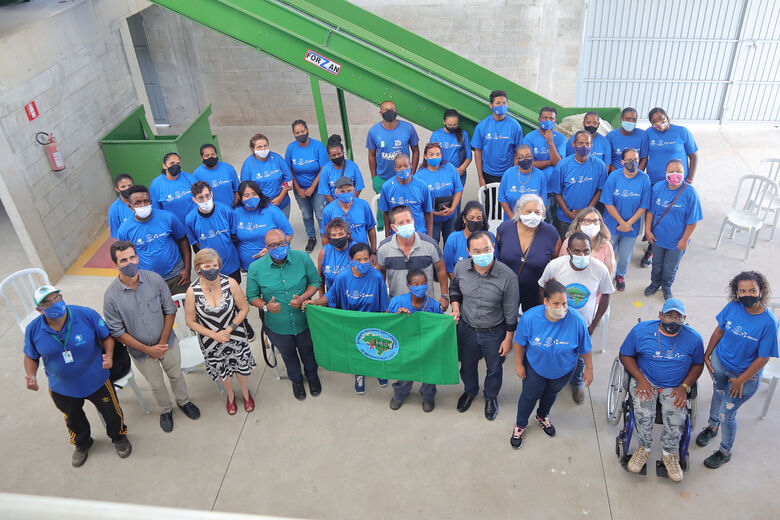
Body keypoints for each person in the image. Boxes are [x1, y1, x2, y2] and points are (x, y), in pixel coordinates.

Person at [24, 285, 131, 467]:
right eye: (47, 303)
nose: (54, 304)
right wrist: (31, 375)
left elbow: (106, 337)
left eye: (57, 298)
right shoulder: (33, 330)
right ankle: (82, 443)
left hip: (96, 379)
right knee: (73, 419)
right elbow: (30, 355)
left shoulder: (85, 315)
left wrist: (109, 356)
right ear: (39, 309)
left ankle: (118, 437)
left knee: (112, 412)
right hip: (63, 387)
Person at [103, 241, 201, 433]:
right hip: (142, 353)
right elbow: (117, 331)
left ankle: (184, 401)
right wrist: (148, 349)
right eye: (124, 260)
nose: (130, 262)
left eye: (132, 257)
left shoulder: (155, 280)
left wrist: (162, 343)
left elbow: (169, 310)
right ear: (116, 265)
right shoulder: (111, 297)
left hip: (167, 344)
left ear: (138, 258)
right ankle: (165, 410)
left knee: (176, 375)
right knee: (156, 385)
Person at [696, 272, 779, 469]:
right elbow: (719, 331)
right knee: (717, 395)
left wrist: (741, 380)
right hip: (720, 365)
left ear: (761, 291)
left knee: (728, 413)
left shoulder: (768, 322)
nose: (747, 294)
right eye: (742, 291)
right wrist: (707, 355)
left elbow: (763, 357)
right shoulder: (733, 308)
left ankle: (725, 451)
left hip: (744, 378)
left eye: (752, 290)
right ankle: (711, 426)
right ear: (737, 292)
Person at [619, 298, 704, 482]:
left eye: (678, 317)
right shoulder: (641, 332)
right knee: (642, 413)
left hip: (675, 385)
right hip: (646, 379)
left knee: (676, 416)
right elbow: (625, 354)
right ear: (660, 315)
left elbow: (698, 365)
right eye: (668, 315)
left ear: (684, 319)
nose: (673, 321)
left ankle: (669, 453)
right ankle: (644, 448)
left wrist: (684, 387)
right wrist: (640, 379)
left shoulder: (694, 338)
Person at [510, 280, 593, 449]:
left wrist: (589, 369)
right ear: (545, 302)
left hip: (563, 369)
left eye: (564, 303)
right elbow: (519, 343)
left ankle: (542, 416)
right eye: (556, 303)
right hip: (535, 367)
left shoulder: (577, 321)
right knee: (530, 395)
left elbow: (585, 348)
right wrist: (519, 364)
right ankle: (520, 425)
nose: (561, 307)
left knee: (551, 393)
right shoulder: (530, 318)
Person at [450, 230, 519, 421]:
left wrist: (508, 339)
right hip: (467, 329)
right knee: (467, 366)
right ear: (469, 252)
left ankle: (490, 397)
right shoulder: (460, 268)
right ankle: (470, 391)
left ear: (493, 247)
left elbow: (511, 312)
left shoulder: (508, 277)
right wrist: (455, 306)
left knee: (494, 369)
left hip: (494, 332)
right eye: (477, 251)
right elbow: (454, 288)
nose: (483, 254)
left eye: (487, 249)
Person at [538, 231, 614, 404]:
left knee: (580, 356)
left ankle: (576, 382)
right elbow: (542, 286)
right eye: (577, 251)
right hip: (556, 321)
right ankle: (552, 380)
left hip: (584, 325)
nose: (582, 255)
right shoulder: (555, 266)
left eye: (586, 251)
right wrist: (547, 311)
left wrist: (594, 324)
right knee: (553, 349)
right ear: (569, 251)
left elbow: (607, 295)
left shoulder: (599, 269)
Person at [303, 242, 388, 394]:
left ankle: (380, 371)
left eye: (366, 259)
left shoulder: (376, 276)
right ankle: (359, 373)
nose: (363, 263)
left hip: (373, 322)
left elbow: (384, 306)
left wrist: (387, 320)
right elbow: (331, 295)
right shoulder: (343, 277)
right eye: (359, 259)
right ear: (351, 260)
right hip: (352, 323)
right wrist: (314, 302)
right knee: (357, 351)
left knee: (376, 348)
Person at [247, 230, 322, 400]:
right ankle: (296, 380)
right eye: (273, 245)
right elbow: (252, 297)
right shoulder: (256, 268)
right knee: (288, 354)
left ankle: (312, 376)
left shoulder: (302, 258)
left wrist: (303, 297)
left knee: (308, 350)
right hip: (277, 324)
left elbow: (315, 282)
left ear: (287, 242)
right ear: (266, 247)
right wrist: (266, 306)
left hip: (304, 320)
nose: (279, 247)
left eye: (282, 243)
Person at [185, 249, 256, 414]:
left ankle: (246, 393)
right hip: (210, 340)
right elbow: (190, 321)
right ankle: (230, 396)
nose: (212, 269)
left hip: (235, 333)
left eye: (215, 265)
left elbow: (244, 308)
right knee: (222, 369)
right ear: (198, 268)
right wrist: (214, 335)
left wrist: (229, 329)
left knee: (240, 365)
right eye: (207, 266)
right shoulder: (192, 291)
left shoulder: (230, 283)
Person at [644, 159, 703, 300]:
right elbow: (651, 212)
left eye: (679, 171)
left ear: (685, 173)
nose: (675, 174)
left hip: (677, 242)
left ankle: (666, 286)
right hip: (657, 238)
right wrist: (648, 231)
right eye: (671, 171)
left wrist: (684, 239)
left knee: (670, 268)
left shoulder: (690, 193)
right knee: (657, 264)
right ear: (666, 173)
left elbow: (693, 221)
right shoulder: (657, 188)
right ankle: (654, 283)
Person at [388, 269, 445, 412]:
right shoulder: (397, 302)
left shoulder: (433, 305)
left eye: (424, 283)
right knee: (405, 371)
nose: (420, 287)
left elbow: (441, 325)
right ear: (408, 285)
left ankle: (428, 397)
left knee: (429, 372)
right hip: (406, 345)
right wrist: (397, 315)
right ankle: (400, 394)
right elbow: (386, 321)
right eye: (416, 283)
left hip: (427, 346)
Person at [117, 185, 191, 295]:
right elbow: (124, 258)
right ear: (130, 207)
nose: (143, 205)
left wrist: (187, 270)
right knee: (158, 311)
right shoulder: (124, 230)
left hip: (177, 275)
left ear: (151, 202)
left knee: (189, 307)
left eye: (146, 201)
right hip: (149, 282)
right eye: (137, 203)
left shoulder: (168, 217)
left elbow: (183, 240)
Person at [376, 205, 448, 310]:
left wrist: (444, 296)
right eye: (401, 223)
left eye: (408, 221)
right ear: (393, 227)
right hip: (398, 307)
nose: (406, 225)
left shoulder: (430, 244)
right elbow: (380, 273)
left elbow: (441, 269)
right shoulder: (384, 248)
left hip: (426, 306)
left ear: (413, 220)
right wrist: (383, 302)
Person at [496, 194, 560, 312]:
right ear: (519, 211)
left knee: (533, 324)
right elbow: (498, 251)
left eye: (537, 212)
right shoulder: (505, 228)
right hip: (506, 288)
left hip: (536, 291)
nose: (533, 215)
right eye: (528, 211)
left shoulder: (551, 233)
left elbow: (555, 259)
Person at [600, 147, 651, 291]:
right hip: (612, 224)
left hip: (631, 226)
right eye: (629, 160)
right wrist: (621, 222)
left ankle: (620, 275)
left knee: (624, 256)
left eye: (635, 160)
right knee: (608, 252)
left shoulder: (644, 179)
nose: (632, 163)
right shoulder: (614, 177)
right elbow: (608, 202)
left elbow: (644, 205)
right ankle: (606, 275)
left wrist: (628, 223)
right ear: (622, 162)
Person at [366, 100, 420, 229]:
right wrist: (375, 177)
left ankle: (406, 227)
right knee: (383, 209)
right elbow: (371, 155)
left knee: (405, 206)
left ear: (396, 111)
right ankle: (383, 231)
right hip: (382, 178)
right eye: (386, 110)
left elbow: (416, 150)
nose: (390, 112)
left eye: (392, 109)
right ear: (380, 113)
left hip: (404, 178)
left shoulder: (408, 128)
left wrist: (412, 173)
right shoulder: (374, 131)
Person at [471, 89, 524, 211]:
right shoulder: (482, 126)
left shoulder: (515, 126)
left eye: (504, 103)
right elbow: (477, 151)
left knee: (508, 208)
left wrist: (512, 174)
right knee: (491, 208)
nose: (501, 106)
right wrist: (480, 177)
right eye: (498, 103)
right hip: (488, 174)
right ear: (491, 106)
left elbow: (518, 152)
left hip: (508, 174)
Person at [551, 130, 607, 238]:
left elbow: (600, 190)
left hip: (589, 219)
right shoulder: (563, 165)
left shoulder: (600, 166)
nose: (584, 146)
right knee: (566, 247)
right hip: (565, 218)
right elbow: (557, 192)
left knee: (587, 248)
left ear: (592, 145)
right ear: (573, 144)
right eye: (580, 143)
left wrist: (587, 210)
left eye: (587, 143)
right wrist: (568, 213)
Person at [285, 120, 330, 252]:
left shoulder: (318, 146)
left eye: (302, 131)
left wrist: (312, 188)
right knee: (306, 215)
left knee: (321, 214)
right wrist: (298, 189)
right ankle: (311, 237)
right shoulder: (291, 148)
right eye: (297, 133)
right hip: (300, 189)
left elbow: (323, 169)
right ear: (294, 134)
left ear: (308, 130)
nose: (300, 134)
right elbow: (289, 170)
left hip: (318, 188)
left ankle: (325, 237)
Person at [233, 180, 294, 272]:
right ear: (240, 197)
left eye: (254, 194)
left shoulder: (272, 211)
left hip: (274, 262)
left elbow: (289, 234)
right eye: (246, 195)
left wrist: (270, 249)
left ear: (259, 195)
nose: (251, 198)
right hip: (249, 267)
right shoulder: (235, 213)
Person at [186, 182, 241, 281]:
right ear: (194, 199)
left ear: (212, 194)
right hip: (209, 269)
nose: (205, 200)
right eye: (200, 198)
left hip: (231, 266)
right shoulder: (190, 219)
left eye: (207, 195)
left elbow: (235, 236)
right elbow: (196, 245)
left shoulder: (226, 211)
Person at [414, 142, 463, 243]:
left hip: (451, 216)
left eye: (438, 154)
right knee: (433, 244)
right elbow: (418, 202)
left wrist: (453, 208)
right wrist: (435, 213)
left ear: (441, 155)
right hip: (432, 219)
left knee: (451, 242)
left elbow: (458, 189)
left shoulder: (450, 168)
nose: (435, 157)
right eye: (431, 154)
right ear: (425, 156)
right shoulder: (419, 176)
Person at [240, 133, 293, 218]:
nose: (263, 149)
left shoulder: (277, 158)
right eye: (259, 147)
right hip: (261, 208)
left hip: (282, 204)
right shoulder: (248, 165)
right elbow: (246, 189)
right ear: (252, 149)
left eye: (265, 146)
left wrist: (280, 197)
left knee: (283, 230)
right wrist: (261, 202)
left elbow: (288, 179)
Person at [378, 153, 433, 235]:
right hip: (397, 234)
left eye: (406, 166)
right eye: (399, 167)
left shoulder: (422, 186)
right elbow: (386, 213)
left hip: (419, 233)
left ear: (410, 165)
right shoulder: (387, 187)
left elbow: (428, 212)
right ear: (395, 168)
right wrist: (387, 235)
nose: (403, 169)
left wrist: (429, 236)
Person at [320, 176, 377, 253]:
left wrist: (373, 252)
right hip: (340, 253)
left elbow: (371, 228)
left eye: (349, 190)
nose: (346, 194)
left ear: (354, 191)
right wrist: (327, 255)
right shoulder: (328, 210)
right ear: (336, 192)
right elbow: (325, 235)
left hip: (362, 252)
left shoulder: (363, 205)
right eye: (342, 191)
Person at [645, 107, 698, 185]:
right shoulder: (648, 133)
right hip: (654, 181)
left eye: (661, 118)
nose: (659, 122)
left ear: (667, 118)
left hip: (678, 181)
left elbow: (693, 157)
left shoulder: (682, 132)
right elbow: (644, 157)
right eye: (654, 121)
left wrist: (690, 179)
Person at [560, 208, 616, 278]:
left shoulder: (606, 245)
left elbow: (609, 272)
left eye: (596, 221)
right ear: (579, 223)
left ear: (600, 223)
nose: (592, 224)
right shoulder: (568, 242)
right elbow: (561, 266)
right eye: (587, 221)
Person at [523, 106, 566, 195]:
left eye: (551, 118)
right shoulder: (529, 137)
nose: (548, 121)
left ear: (555, 121)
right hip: (532, 187)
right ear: (539, 119)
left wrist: (550, 142)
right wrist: (551, 162)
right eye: (545, 118)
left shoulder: (561, 138)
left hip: (552, 189)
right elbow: (528, 164)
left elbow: (558, 164)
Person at [498, 145, 547, 220]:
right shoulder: (508, 173)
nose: (525, 159)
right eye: (521, 157)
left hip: (533, 221)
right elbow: (502, 198)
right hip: (511, 220)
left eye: (528, 156)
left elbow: (543, 202)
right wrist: (513, 219)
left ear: (532, 157)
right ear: (516, 159)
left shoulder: (540, 175)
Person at [443, 201, 492, 278]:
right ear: (464, 219)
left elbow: (495, 264)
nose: (475, 221)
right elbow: (449, 269)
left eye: (478, 218)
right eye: (471, 218)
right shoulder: (453, 239)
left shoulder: (489, 238)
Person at [149, 152, 196, 225]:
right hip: (174, 227)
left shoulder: (189, 178)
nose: (175, 166)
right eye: (172, 163)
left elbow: (200, 199)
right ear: (164, 166)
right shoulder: (156, 185)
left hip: (194, 222)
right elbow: (156, 210)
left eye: (178, 163)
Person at [430, 109, 472, 186]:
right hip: (440, 172)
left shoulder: (463, 134)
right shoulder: (436, 135)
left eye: (455, 125)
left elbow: (469, 157)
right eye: (449, 125)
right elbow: (431, 156)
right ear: (444, 122)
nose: (452, 127)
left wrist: (461, 169)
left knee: (457, 197)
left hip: (458, 173)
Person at [318, 134, 365, 202]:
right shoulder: (326, 169)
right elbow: (325, 192)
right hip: (334, 205)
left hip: (352, 203)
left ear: (343, 152)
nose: (337, 156)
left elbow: (359, 187)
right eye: (333, 155)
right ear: (329, 156)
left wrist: (351, 202)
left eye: (339, 154)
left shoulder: (353, 166)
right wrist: (336, 206)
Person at [605, 107, 649, 173]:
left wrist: (637, 175)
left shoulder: (642, 135)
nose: (631, 122)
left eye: (634, 119)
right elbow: (608, 160)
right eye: (628, 119)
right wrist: (617, 175)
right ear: (621, 119)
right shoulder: (611, 136)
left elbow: (644, 158)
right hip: (616, 174)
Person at [317, 217, 354, 292]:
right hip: (332, 296)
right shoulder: (324, 252)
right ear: (329, 237)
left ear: (347, 234)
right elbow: (320, 276)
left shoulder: (356, 249)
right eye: (334, 235)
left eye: (341, 234)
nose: (337, 237)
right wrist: (322, 296)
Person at [108, 173, 135, 238]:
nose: (127, 189)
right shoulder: (114, 210)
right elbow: (116, 234)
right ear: (117, 189)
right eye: (123, 187)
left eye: (130, 186)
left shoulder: (143, 200)